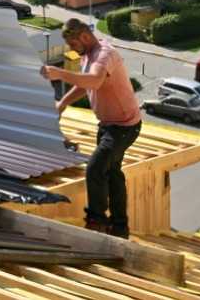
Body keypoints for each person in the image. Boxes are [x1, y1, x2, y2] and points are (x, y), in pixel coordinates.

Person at [40, 18, 142, 238]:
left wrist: (59, 74)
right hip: (108, 125)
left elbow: (94, 81)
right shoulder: (89, 54)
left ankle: (96, 222)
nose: (73, 51)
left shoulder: (105, 54)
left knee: (95, 168)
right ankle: (120, 227)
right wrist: (63, 102)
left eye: (74, 45)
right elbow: (85, 84)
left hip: (123, 126)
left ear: (84, 37)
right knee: (112, 174)